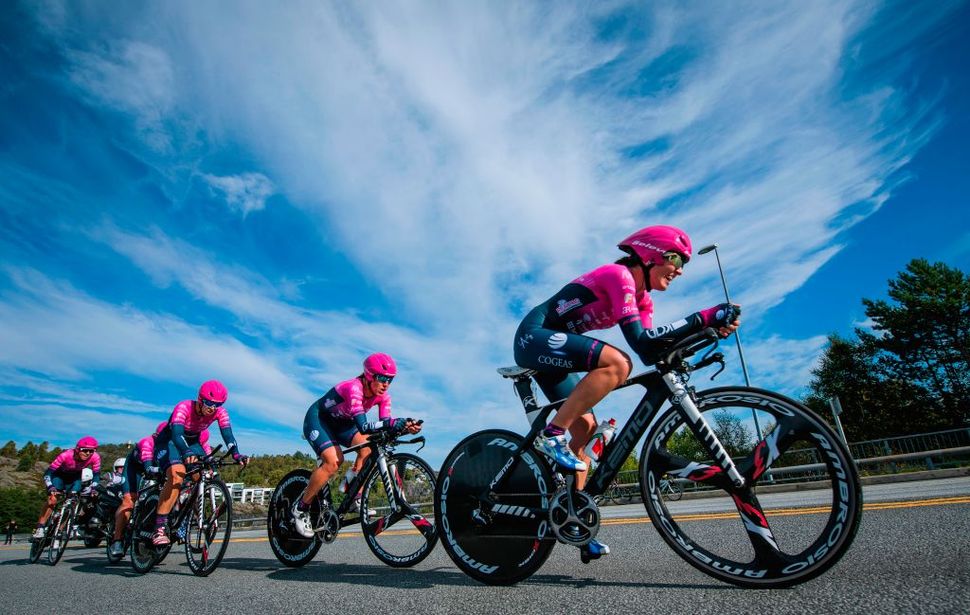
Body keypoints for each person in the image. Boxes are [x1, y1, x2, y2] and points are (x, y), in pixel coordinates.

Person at [513, 225, 740, 561]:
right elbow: (641, 346)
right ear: (649, 254)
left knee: (587, 430)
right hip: (534, 337)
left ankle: (574, 519)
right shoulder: (618, 276)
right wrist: (702, 316)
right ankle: (552, 433)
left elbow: (650, 348)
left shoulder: (643, 300)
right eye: (676, 258)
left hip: (556, 356)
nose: (679, 269)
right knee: (617, 365)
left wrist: (708, 329)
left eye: (684, 264)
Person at [291, 353, 422, 538]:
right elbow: (364, 426)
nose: (386, 384)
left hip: (344, 423)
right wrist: (393, 423)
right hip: (320, 419)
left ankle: (354, 494)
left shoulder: (384, 397)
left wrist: (406, 428)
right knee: (333, 462)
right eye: (382, 378)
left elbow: (384, 428)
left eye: (390, 380)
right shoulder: (354, 388)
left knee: (369, 447)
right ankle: (300, 508)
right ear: (369, 376)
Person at [149, 381, 247, 546]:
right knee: (177, 475)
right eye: (209, 404)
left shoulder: (219, 412)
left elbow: (228, 436)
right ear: (200, 400)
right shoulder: (184, 407)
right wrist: (186, 452)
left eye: (218, 405)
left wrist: (236, 453)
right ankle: (158, 529)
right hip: (170, 440)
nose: (212, 408)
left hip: (193, 442)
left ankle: (187, 518)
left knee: (201, 475)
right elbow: (177, 434)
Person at [108, 422, 211, 556]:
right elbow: (149, 468)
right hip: (137, 468)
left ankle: (174, 521)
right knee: (129, 500)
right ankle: (117, 540)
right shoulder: (147, 443)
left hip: (160, 464)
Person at [33, 437, 101, 539]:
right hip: (58, 476)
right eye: (84, 450)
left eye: (91, 451)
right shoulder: (65, 455)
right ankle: (40, 527)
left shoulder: (95, 457)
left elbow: (96, 475)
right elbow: (48, 473)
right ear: (78, 449)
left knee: (72, 503)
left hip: (75, 477)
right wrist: (50, 486)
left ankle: (59, 531)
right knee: (52, 500)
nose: (88, 453)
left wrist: (94, 488)